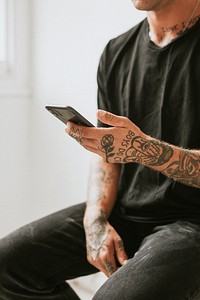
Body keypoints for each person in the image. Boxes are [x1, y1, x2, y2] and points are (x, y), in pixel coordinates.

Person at [0, 0, 200, 299]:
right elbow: (107, 157)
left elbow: (131, 149)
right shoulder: (116, 52)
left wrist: (143, 149)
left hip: (191, 222)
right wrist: (94, 219)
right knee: (7, 268)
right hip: (126, 211)